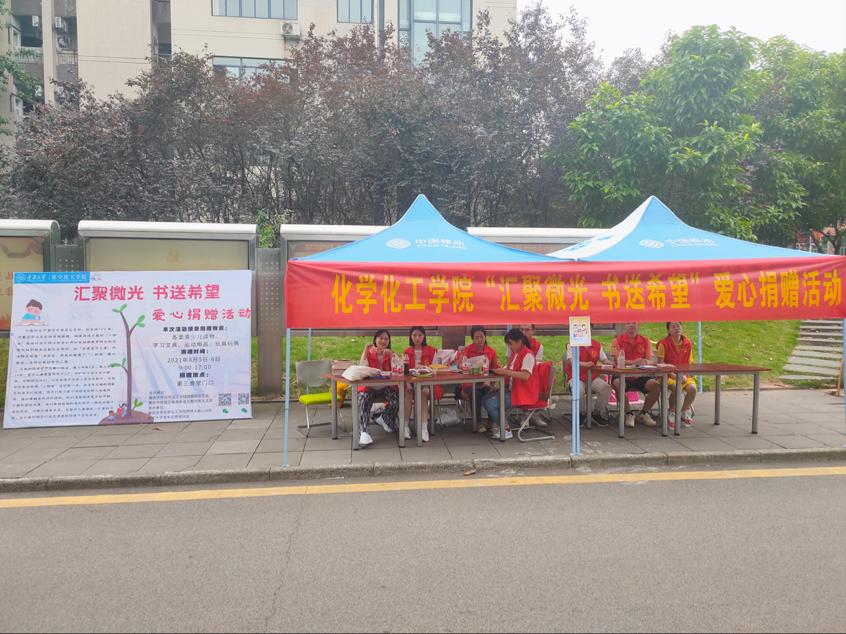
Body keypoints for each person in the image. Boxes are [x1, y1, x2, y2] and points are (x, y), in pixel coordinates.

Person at [482, 328, 539, 440]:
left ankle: (505, 429)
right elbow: (508, 369)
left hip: (524, 394)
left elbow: (525, 375)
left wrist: (505, 372)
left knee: (490, 403)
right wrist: (499, 371)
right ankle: (500, 424)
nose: (509, 347)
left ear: (519, 341)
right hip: (513, 390)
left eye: (511, 344)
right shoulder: (515, 354)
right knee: (485, 398)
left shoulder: (528, 355)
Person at [609, 322, 660, 428]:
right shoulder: (617, 340)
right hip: (622, 375)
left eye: (634, 323)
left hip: (641, 375)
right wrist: (634, 362)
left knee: (656, 385)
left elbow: (650, 360)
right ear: (625, 325)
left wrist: (644, 362)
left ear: (638, 325)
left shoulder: (645, 341)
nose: (631, 325)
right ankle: (629, 414)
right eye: (628, 323)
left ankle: (644, 413)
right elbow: (616, 360)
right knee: (618, 383)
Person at [356, 329, 400, 447]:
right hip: (369, 386)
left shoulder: (390, 353)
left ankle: (383, 417)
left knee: (397, 400)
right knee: (363, 398)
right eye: (380, 338)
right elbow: (362, 368)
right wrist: (365, 350)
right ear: (375, 340)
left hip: (386, 385)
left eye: (386, 339)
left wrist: (392, 356)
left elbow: (399, 369)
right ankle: (364, 432)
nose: (383, 341)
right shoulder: (369, 352)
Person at [454, 325, 501, 433]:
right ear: (472, 338)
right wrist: (466, 365)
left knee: (492, 391)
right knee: (476, 393)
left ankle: (492, 421)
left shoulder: (491, 352)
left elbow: (497, 369)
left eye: (481, 337)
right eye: (476, 337)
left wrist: (489, 380)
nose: (479, 340)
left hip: (486, 382)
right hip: (469, 384)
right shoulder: (467, 350)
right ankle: (477, 422)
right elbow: (459, 365)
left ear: (485, 337)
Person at [657, 321, 697, 428]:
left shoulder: (687, 343)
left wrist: (686, 375)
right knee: (677, 387)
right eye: (673, 327)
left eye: (678, 326)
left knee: (692, 388)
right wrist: (673, 375)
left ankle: (683, 410)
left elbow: (689, 363)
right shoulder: (663, 344)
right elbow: (660, 363)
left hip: (683, 375)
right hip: (667, 375)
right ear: (668, 330)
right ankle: (672, 411)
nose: (676, 328)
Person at [564, 339, 613, 427]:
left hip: (592, 377)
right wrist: (584, 364)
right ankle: (582, 413)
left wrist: (608, 362)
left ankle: (597, 413)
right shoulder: (572, 344)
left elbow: (604, 359)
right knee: (579, 390)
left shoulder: (597, 345)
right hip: (575, 377)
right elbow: (571, 361)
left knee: (606, 387)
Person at [403, 326, 439, 442]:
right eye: (414, 335)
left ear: (424, 336)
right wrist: (408, 384)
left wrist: (425, 369)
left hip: (427, 383)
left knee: (423, 393)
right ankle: (405, 427)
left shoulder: (432, 351)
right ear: (411, 337)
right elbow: (404, 372)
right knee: (408, 393)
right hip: (411, 383)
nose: (417, 338)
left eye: (419, 335)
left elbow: (435, 370)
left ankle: (424, 428)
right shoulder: (406, 352)